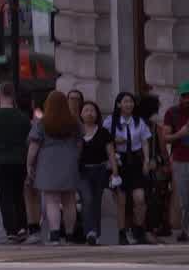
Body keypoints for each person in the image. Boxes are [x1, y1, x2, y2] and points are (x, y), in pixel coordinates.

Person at [28, 89, 81, 245]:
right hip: (69, 162)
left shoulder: (42, 123)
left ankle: (55, 235)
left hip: (48, 164)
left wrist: (29, 164)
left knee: (52, 201)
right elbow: (79, 143)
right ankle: (70, 235)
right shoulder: (74, 122)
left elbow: (33, 147)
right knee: (69, 201)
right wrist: (74, 157)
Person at [0, 82, 33, 241]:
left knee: (5, 196)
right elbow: (30, 142)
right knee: (19, 195)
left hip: (1, 161)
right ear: (13, 95)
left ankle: (10, 229)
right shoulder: (24, 118)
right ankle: (22, 227)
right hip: (20, 161)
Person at [108, 90, 152, 244]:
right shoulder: (110, 121)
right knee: (121, 200)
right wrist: (115, 141)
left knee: (139, 198)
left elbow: (145, 141)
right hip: (118, 162)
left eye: (131, 101)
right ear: (119, 104)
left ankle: (138, 229)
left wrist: (147, 160)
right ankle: (121, 233)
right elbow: (105, 142)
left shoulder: (139, 121)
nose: (129, 104)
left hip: (135, 161)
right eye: (125, 101)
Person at [76, 100, 113, 246]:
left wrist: (115, 171)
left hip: (99, 170)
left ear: (97, 114)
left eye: (92, 110)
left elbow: (110, 152)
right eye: (86, 110)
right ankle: (89, 232)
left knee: (96, 202)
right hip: (82, 171)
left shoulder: (103, 131)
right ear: (81, 113)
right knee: (87, 199)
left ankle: (96, 233)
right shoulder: (77, 132)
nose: (89, 113)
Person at [158, 83, 189, 242]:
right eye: (184, 96)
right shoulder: (172, 113)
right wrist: (181, 133)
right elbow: (166, 137)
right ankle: (186, 230)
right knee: (184, 197)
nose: (187, 99)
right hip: (181, 160)